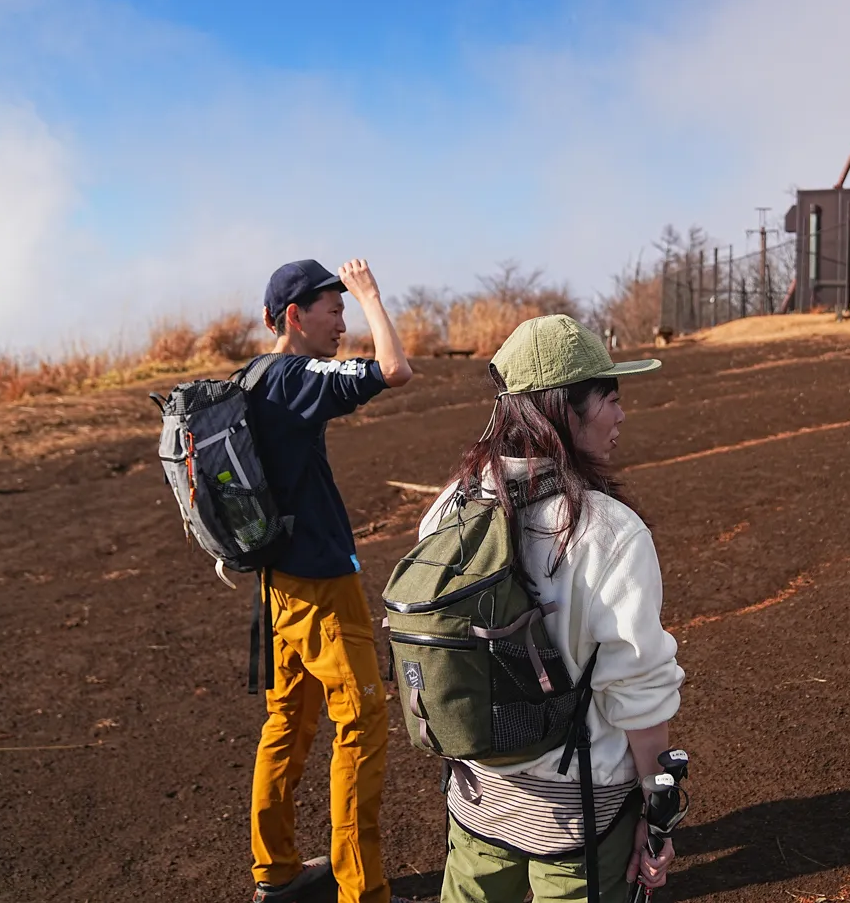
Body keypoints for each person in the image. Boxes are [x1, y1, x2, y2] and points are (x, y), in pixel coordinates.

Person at [414, 314, 683, 903]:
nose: (621, 415)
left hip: (479, 796)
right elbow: (637, 689)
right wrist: (656, 810)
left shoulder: (447, 510)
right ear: (565, 410)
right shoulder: (608, 531)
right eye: (608, 399)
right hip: (581, 811)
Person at [247, 258, 414, 903]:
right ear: (295, 316)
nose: (342, 322)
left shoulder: (253, 378)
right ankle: (363, 893)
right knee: (362, 723)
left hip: (279, 583)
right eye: (333, 309)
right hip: (320, 583)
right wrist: (373, 295)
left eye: (347, 309)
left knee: (287, 721)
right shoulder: (296, 375)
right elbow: (395, 370)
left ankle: (277, 870)